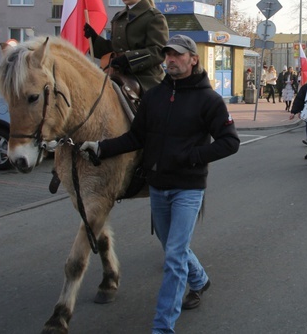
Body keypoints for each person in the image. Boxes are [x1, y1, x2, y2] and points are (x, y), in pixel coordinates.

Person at [79, 34, 240, 334]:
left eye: (178, 55)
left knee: (175, 256)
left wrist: (192, 156)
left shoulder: (209, 100)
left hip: (188, 189)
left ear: (193, 59)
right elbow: (135, 138)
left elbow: (230, 142)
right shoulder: (153, 97)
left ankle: (163, 327)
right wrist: (100, 148)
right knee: (172, 249)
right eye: (168, 55)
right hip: (158, 187)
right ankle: (200, 279)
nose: (171, 60)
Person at [84, 0, 169, 91]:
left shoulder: (154, 17)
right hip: (117, 73)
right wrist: (94, 40)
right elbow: (114, 48)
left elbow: (158, 51)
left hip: (145, 79)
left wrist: (128, 59)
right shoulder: (119, 17)